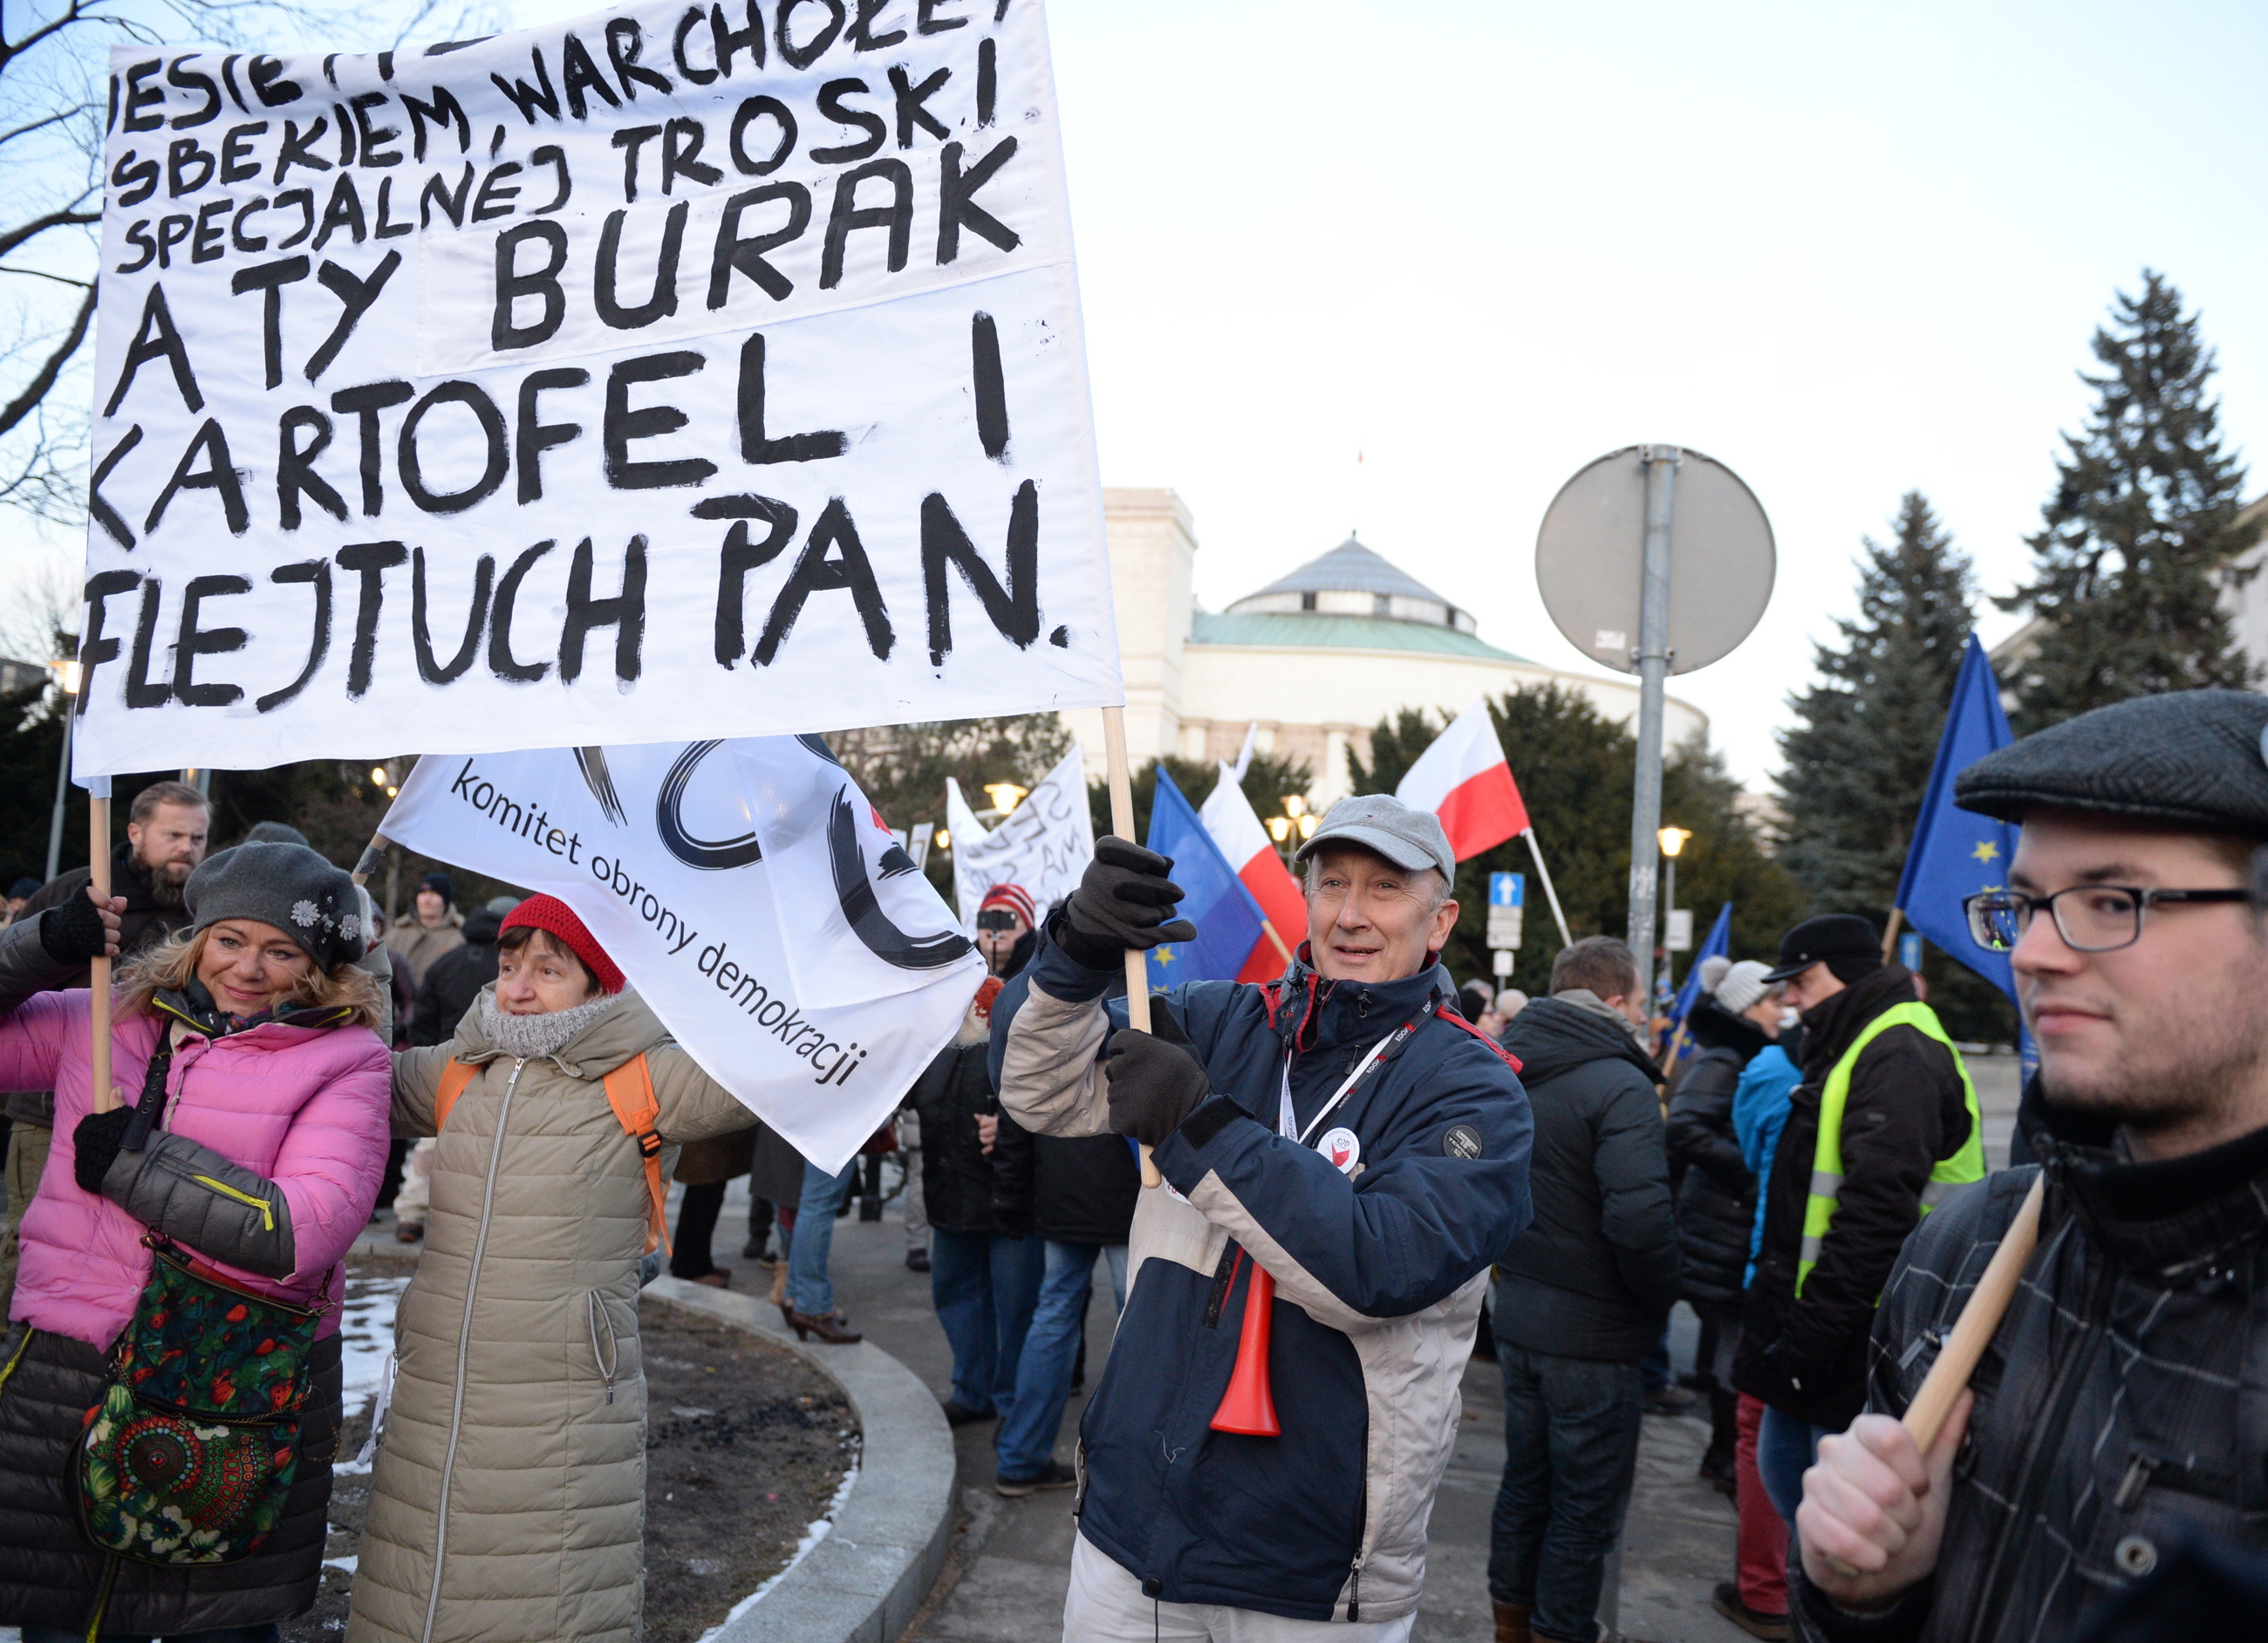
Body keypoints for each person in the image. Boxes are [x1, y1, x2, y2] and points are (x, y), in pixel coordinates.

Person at [1788, 690, 2268, 1640]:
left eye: (2109, 899)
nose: (2034, 952)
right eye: (2023, 903)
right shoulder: (1960, 1254)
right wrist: (1866, 1596)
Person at [993, 795, 1533, 1638]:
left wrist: (1197, 1122)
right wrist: (1074, 957)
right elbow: (1038, 1089)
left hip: (1309, 1567)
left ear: (1441, 920)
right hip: (1130, 1530)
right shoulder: (1220, 1019)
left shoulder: (1477, 1089)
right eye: (1332, 883)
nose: (1350, 914)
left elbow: (1377, 1266)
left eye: (1385, 888)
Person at [0, 841, 391, 1642]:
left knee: (214, 1621)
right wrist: (39, 946)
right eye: (230, 940)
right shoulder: (105, 1017)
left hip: (233, 1380)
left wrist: (137, 1167)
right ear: (198, 937)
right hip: (73, 1359)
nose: (248, 967)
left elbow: (300, 1227)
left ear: (317, 965)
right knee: (60, 1609)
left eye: (281, 950)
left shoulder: (347, 1059)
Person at [349, 894, 757, 1643]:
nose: (519, 986)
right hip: (437, 1384)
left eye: (548, 968)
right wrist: (358, 951)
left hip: (562, 1401)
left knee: (544, 1595)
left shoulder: (646, 1075)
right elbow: (349, 1072)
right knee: (413, 1581)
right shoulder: (460, 1067)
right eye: (509, 966)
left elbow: (779, 1062)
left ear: (600, 983)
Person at [1733, 914, 1981, 1531]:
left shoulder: (1898, 1051)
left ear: (1844, 972)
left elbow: (1874, 1214)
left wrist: (1812, 1335)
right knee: (1785, 1469)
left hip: (1871, 1326)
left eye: (1801, 979)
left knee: (1825, 1510)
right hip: (1833, 1319)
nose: (1790, 997)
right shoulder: (1865, 1038)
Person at [1490, 935, 1681, 1643]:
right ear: (1616, 1001)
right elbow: (1639, 1221)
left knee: (1524, 1485)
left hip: (1519, 1315)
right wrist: (1662, 1292)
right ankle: (1561, 1630)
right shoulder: (1621, 1082)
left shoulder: (1509, 1066)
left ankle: (1512, 1625)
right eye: (1640, 1002)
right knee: (1583, 1506)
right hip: (1595, 1337)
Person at [3, 778, 208, 1315]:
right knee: (32, 1247)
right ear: (136, 832)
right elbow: (15, 977)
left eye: (198, 838)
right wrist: (59, 942)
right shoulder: (78, 891)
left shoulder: (202, 914)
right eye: (174, 835)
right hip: (48, 1110)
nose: (187, 849)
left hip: (148, 1124)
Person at [1666, 959, 1781, 1496]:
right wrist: (1749, 1167)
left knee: (1725, 1343)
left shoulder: (1744, 1055)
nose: (1784, 1011)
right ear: (1745, 1008)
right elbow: (1685, 1128)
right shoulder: (1725, 1059)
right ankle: (1727, 1456)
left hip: (1724, 1220)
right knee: (1732, 1348)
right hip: (1722, 1221)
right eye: (1773, 1002)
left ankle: (1722, 1454)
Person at [987, 1112, 1140, 1496]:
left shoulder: (1047, 1046)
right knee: (1140, 1325)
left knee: (1053, 1315)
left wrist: (1011, 1192)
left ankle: (1020, 1457)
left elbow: (1019, 1108)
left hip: (1061, 1187)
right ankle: (1134, 1462)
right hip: (1133, 1186)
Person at [911, 974, 1041, 1414]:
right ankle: (973, 1390)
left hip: (1010, 1199)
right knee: (955, 1294)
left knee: (1015, 1309)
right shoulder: (933, 1048)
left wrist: (1010, 1128)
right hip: (951, 1198)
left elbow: (1053, 1111)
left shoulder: (1017, 1046)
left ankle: (1012, 1405)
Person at [1720, 1010, 1807, 1641]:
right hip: (1882, 1284)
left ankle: (1766, 1590)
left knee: (1761, 1429)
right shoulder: (1919, 1052)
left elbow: (1751, 1152)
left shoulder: (1774, 1066)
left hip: (1782, 1275)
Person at [382, 871, 463, 987]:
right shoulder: (396, 933)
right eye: (423, 893)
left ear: (445, 900)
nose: (427, 899)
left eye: (434, 893)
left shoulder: (459, 937)